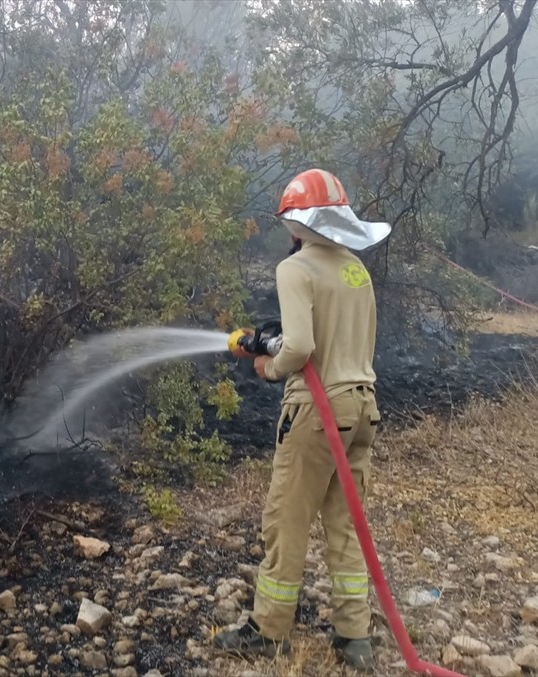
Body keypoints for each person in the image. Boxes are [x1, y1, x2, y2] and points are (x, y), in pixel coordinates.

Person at [214, 168, 391, 672]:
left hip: (317, 411)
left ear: (296, 223)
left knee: (286, 520)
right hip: (363, 405)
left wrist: (269, 365)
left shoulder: (296, 269)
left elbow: (299, 348)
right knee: (345, 521)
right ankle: (354, 636)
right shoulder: (356, 269)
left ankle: (268, 631)